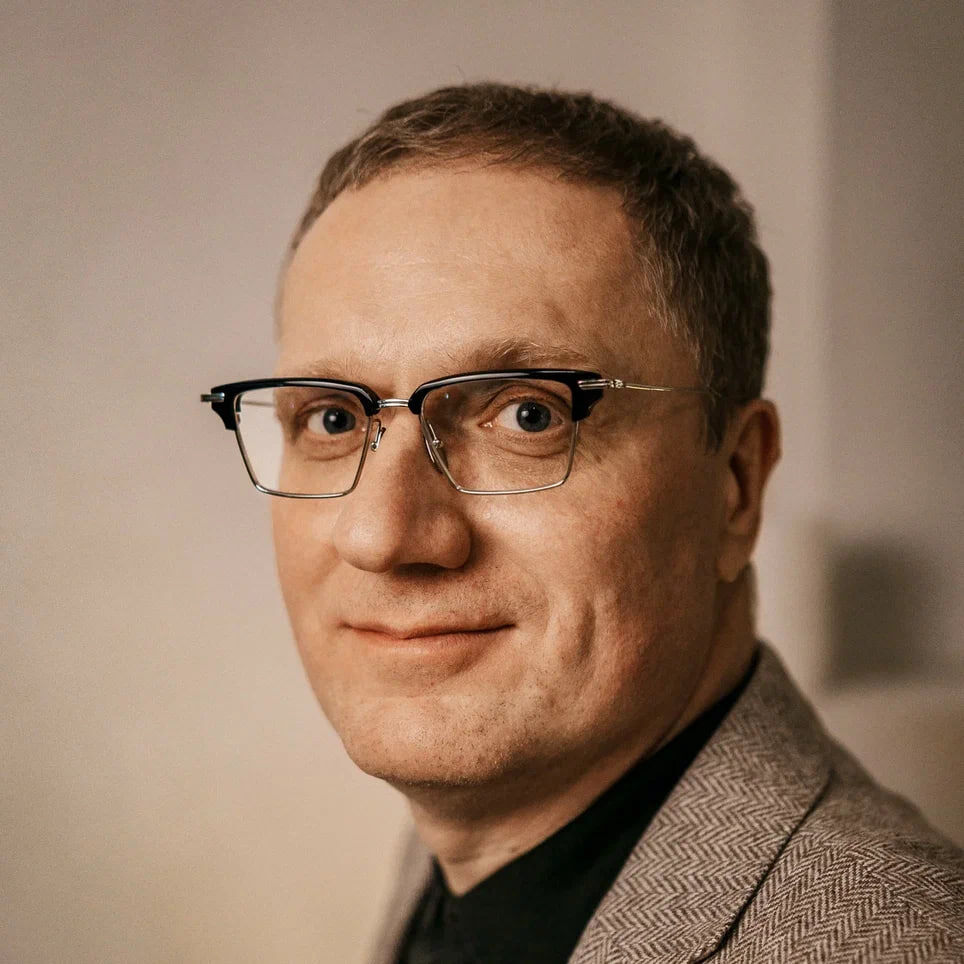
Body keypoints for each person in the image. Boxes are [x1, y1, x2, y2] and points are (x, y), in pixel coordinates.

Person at [201, 83, 963, 962]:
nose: (384, 536)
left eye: (529, 414)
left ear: (737, 485)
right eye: (333, 418)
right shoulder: (479, 844)